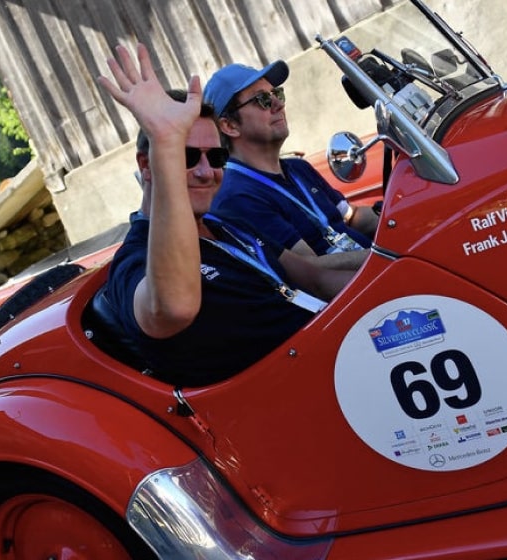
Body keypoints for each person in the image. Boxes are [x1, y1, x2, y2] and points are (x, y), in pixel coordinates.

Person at [97, 43, 354, 387]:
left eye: (216, 158)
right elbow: (171, 309)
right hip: (287, 396)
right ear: (148, 165)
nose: (206, 172)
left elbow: (315, 277)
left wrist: (400, 275)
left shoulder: (225, 226)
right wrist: (166, 141)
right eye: (186, 157)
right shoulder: (136, 259)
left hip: (338, 355)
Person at [203, 60, 380, 270]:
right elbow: (310, 268)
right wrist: (385, 254)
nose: (278, 104)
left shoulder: (298, 167)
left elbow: (352, 218)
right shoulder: (237, 196)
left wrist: (401, 218)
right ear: (229, 125)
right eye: (262, 100)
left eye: (276, 94)